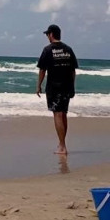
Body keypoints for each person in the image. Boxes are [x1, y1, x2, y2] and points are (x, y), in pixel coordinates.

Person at [36, 24, 78, 155]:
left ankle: (62, 146)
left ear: (51, 34)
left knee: (58, 115)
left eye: (47, 34)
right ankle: (62, 144)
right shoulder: (68, 49)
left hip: (54, 87)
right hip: (66, 87)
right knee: (63, 114)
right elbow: (73, 71)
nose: (47, 37)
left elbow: (42, 69)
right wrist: (72, 86)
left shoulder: (48, 50)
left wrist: (38, 85)